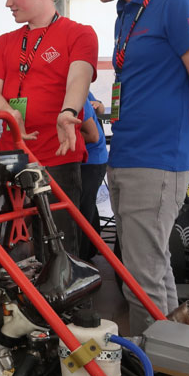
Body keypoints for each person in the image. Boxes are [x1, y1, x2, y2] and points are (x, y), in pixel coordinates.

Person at [79, 0, 189, 333]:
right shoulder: (128, 13)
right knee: (146, 273)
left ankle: (155, 364)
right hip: (128, 155)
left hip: (156, 159)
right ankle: (172, 356)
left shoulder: (178, 2)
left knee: (143, 280)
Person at [0, 0, 98, 256]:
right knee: (8, 246)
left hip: (56, 156)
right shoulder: (5, 41)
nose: (8, 3)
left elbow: (79, 78)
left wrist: (68, 112)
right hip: (11, 155)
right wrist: (10, 114)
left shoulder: (79, 33)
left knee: (59, 246)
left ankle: (61, 288)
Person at [79, 94, 108, 260]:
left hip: (92, 159)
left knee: (83, 208)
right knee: (87, 205)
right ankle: (91, 249)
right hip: (82, 159)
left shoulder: (77, 90)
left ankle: (82, 257)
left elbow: (93, 136)